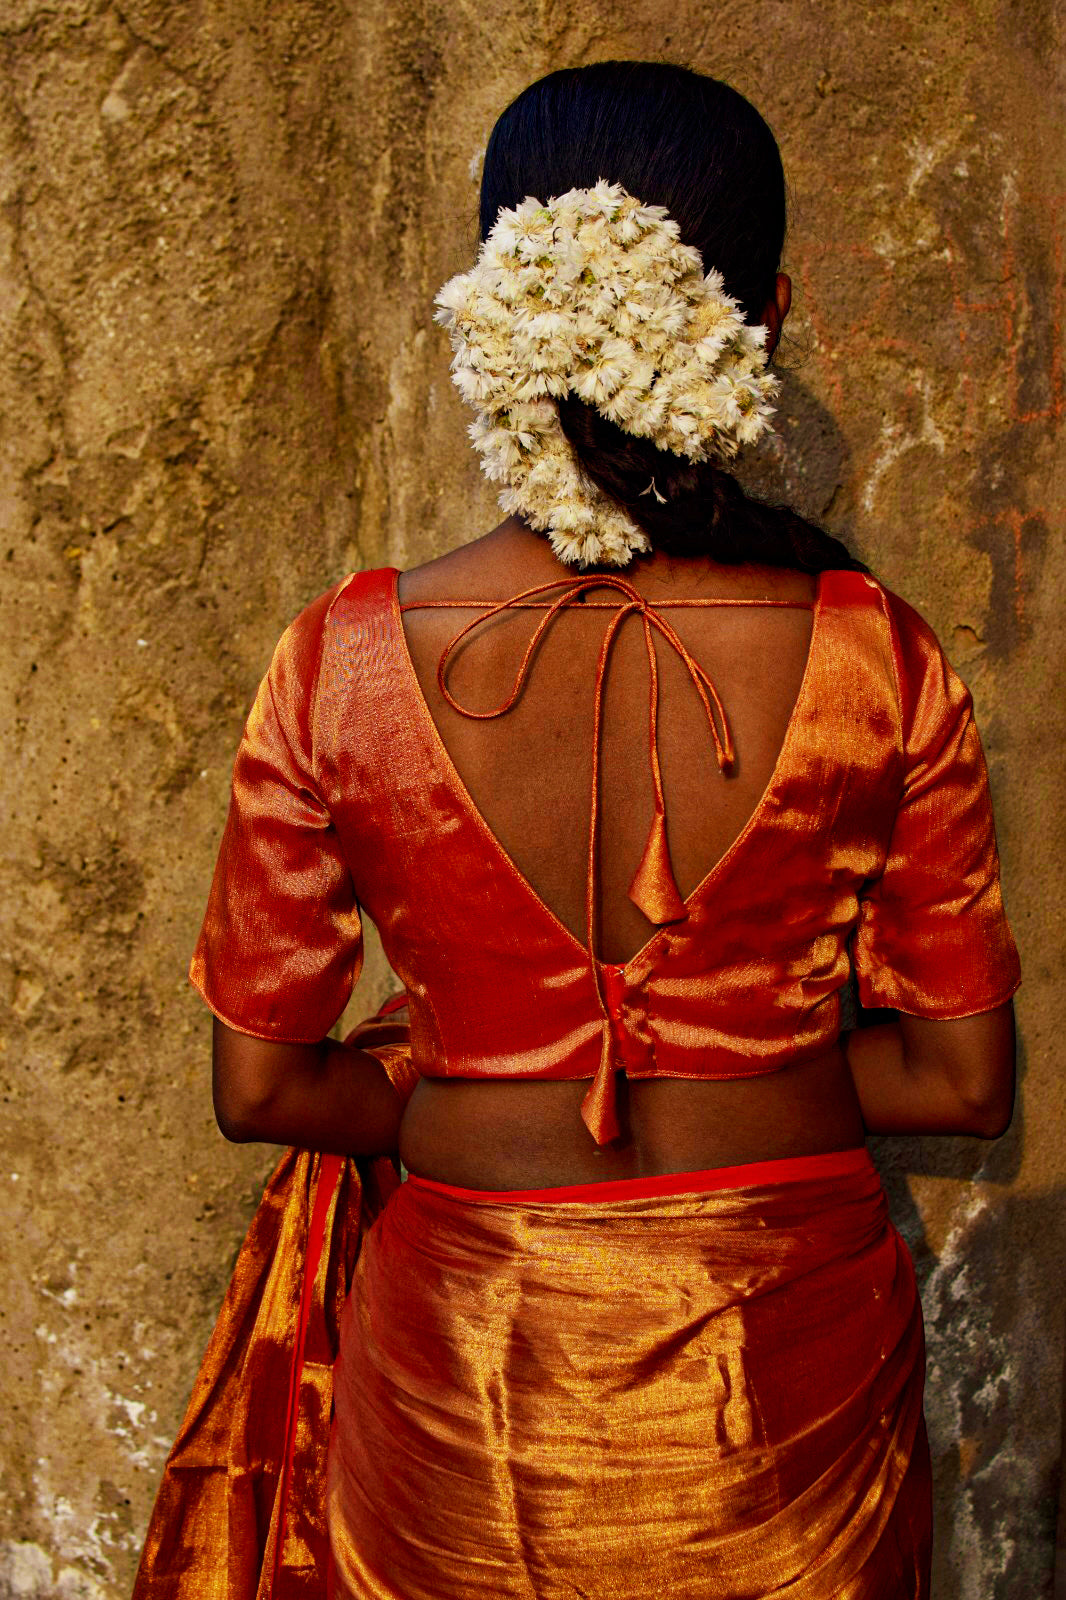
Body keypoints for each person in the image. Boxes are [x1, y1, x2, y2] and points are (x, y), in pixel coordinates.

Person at [181, 61, 1020, 1600]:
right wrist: (740, 1073)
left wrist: (454, 1095)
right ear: (761, 317)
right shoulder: (870, 652)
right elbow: (963, 1081)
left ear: (496, 302)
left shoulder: (343, 659)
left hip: (469, 1373)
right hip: (779, 1397)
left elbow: (260, 1085)